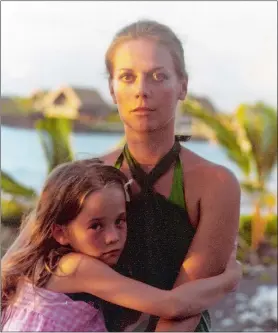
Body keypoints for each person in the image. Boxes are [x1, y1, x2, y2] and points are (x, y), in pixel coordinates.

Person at [100, 19, 241, 331]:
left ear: (183, 85)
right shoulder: (86, 177)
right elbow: (24, 267)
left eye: (158, 76)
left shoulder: (215, 184)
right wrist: (229, 278)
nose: (141, 90)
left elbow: (182, 311)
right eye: (127, 77)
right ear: (112, 88)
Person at [1, 159, 241, 332]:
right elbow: (172, 306)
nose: (113, 237)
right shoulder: (75, 267)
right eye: (96, 226)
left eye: (120, 221)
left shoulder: (49, 267)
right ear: (60, 233)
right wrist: (227, 279)